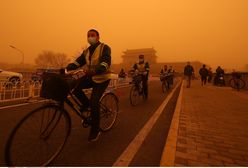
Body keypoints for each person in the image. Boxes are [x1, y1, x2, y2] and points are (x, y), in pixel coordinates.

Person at [66, 29, 111, 142]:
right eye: (88, 35)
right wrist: (67, 67)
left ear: (98, 37)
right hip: (91, 77)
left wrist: (99, 69)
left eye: (93, 35)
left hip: (102, 78)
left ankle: (95, 130)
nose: (90, 37)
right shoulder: (86, 51)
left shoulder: (104, 48)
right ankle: (87, 106)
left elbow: (106, 62)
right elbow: (78, 62)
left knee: (94, 101)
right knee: (74, 87)